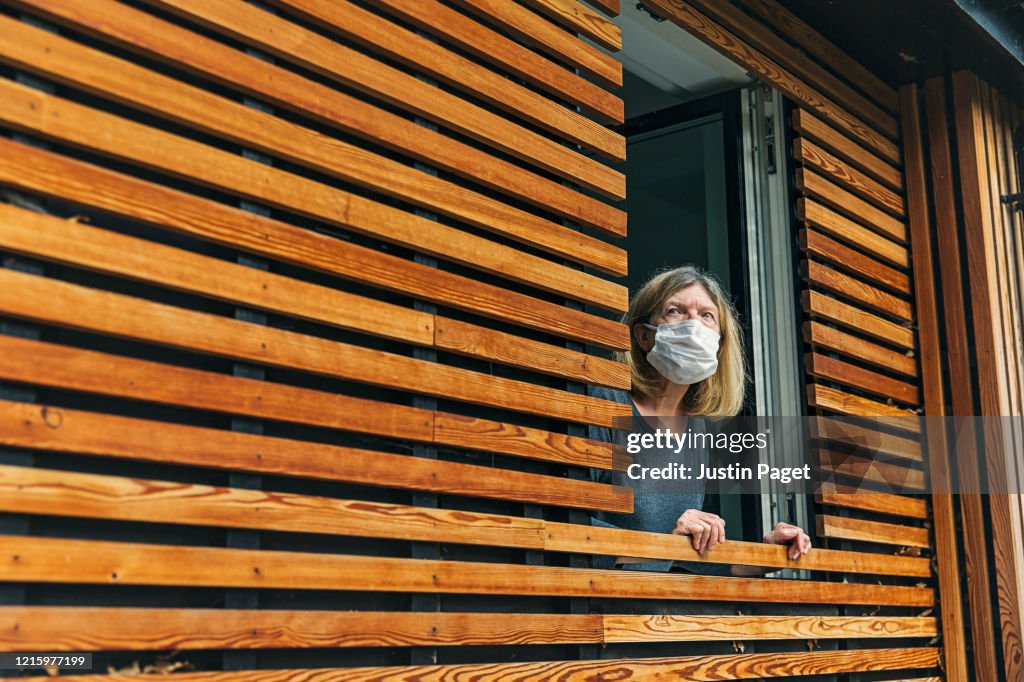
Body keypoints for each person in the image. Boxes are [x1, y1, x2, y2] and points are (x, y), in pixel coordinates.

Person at [589, 265, 811, 576]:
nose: (694, 325)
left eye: (707, 315)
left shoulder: (696, 428)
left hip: (662, 615)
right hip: (597, 612)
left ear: (719, 343)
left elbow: (687, 555)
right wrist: (664, 546)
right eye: (676, 311)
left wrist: (768, 554)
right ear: (643, 336)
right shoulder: (605, 405)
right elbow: (564, 527)